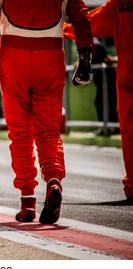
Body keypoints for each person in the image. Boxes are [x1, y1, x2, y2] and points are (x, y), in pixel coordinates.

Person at [0, 0, 93, 224]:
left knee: (20, 133)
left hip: (13, 57)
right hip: (50, 55)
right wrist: (84, 59)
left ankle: (27, 201)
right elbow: (81, 16)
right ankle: (53, 179)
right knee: (49, 130)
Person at [64, 0, 133, 201]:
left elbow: (89, 23)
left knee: (129, 129)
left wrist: (61, 29)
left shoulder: (117, 4)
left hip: (126, 68)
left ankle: (132, 185)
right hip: (124, 62)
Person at [91, 38, 119, 135]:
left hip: (108, 79)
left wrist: (82, 62)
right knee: (101, 102)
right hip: (102, 81)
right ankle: (106, 127)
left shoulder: (95, 45)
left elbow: (91, 57)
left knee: (110, 102)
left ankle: (114, 128)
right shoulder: (93, 44)